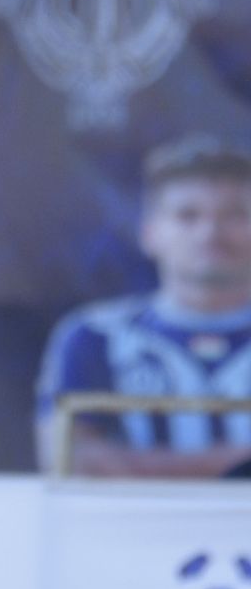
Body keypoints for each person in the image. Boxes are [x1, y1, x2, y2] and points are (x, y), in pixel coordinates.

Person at [35, 136, 251, 477]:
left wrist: (139, 466)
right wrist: (236, 466)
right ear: (150, 233)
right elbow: (69, 460)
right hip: (134, 529)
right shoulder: (95, 336)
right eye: (187, 215)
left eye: (235, 214)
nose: (210, 232)